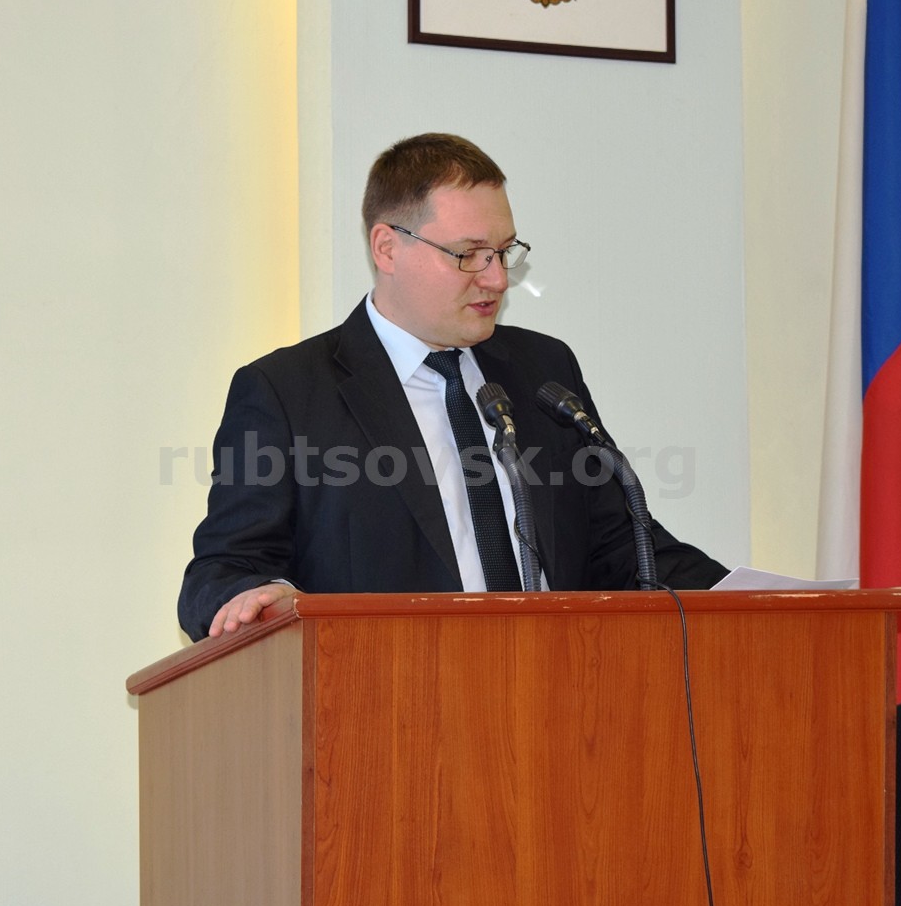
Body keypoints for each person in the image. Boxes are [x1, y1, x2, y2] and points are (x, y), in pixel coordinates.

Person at [177, 133, 728, 640]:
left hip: (557, 689)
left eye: (504, 251)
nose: (497, 278)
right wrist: (263, 599)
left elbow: (624, 549)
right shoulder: (287, 392)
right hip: (386, 694)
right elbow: (222, 570)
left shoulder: (543, 370)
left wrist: (761, 598)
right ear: (387, 248)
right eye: (468, 255)